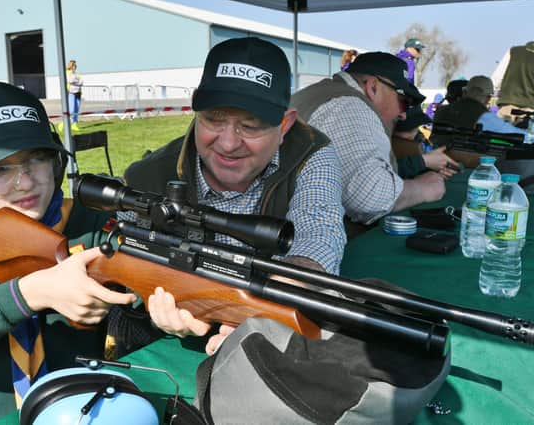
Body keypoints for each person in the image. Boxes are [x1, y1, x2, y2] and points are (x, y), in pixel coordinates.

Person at [0, 82, 136, 424]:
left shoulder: (88, 220)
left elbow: (143, 296)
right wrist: (27, 294)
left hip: (83, 414)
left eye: (37, 159)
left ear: (57, 161)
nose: (26, 182)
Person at [118, 37, 345, 354]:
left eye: (250, 126)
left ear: (285, 125)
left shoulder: (310, 152)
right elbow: (121, 267)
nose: (227, 143)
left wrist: (269, 305)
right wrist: (154, 300)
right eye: (213, 119)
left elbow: (319, 232)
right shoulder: (147, 177)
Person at [290, 51, 445, 236]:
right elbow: (369, 199)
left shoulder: (322, 94)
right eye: (403, 102)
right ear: (373, 87)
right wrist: (423, 189)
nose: (403, 114)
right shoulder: (350, 107)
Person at [433, 75, 534, 142]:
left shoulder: (441, 111)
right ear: (488, 98)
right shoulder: (483, 116)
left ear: (465, 91)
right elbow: (519, 136)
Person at [491, 35, 534, 123]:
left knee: (499, 134)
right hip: (527, 111)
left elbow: (497, 78)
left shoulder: (513, 51)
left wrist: (490, 95)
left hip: (506, 105)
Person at [393, 107, 460, 179]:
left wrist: (433, 167)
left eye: (416, 128)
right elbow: (387, 173)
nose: (412, 136)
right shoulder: (384, 147)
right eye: (408, 130)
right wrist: (423, 161)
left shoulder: (420, 139)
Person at [66, 59, 83, 131]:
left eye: (75, 65)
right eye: (74, 65)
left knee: (76, 109)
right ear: (71, 66)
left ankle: (74, 124)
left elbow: (81, 82)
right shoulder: (67, 73)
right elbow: (70, 81)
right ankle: (66, 123)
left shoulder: (76, 74)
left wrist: (76, 81)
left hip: (78, 92)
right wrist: (77, 81)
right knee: (72, 109)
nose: (75, 66)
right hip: (71, 92)